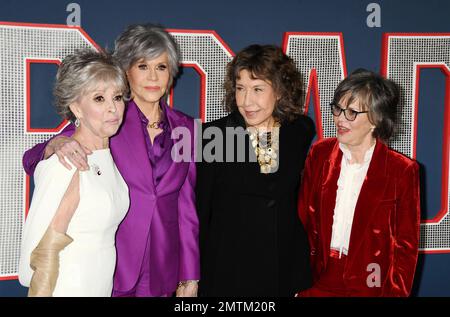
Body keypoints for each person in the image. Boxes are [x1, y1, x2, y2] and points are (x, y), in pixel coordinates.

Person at [22, 24, 199, 297]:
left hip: (165, 269)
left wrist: (189, 275)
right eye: (142, 66)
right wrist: (55, 143)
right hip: (115, 270)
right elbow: (31, 159)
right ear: (126, 71)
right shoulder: (109, 118)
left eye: (161, 67)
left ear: (171, 73)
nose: (153, 77)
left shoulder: (186, 128)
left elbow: (186, 207)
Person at [196, 44, 315, 297]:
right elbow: (199, 213)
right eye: (240, 89)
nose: (246, 101)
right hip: (227, 277)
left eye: (258, 89)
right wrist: (191, 277)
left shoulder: (299, 131)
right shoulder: (213, 137)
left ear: (280, 92)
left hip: (283, 275)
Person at [296, 69, 420, 297]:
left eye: (352, 112)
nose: (340, 118)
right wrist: (296, 285)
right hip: (318, 280)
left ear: (376, 119)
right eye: (338, 109)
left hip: (371, 286)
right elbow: (303, 220)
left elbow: (405, 249)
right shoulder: (320, 154)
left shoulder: (402, 170)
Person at [19, 49, 129, 296]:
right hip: (69, 287)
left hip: (99, 285)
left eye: (118, 97)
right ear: (76, 108)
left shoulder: (104, 155)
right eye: (99, 98)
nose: (113, 108)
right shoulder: (67, 162)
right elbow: (43, 254)